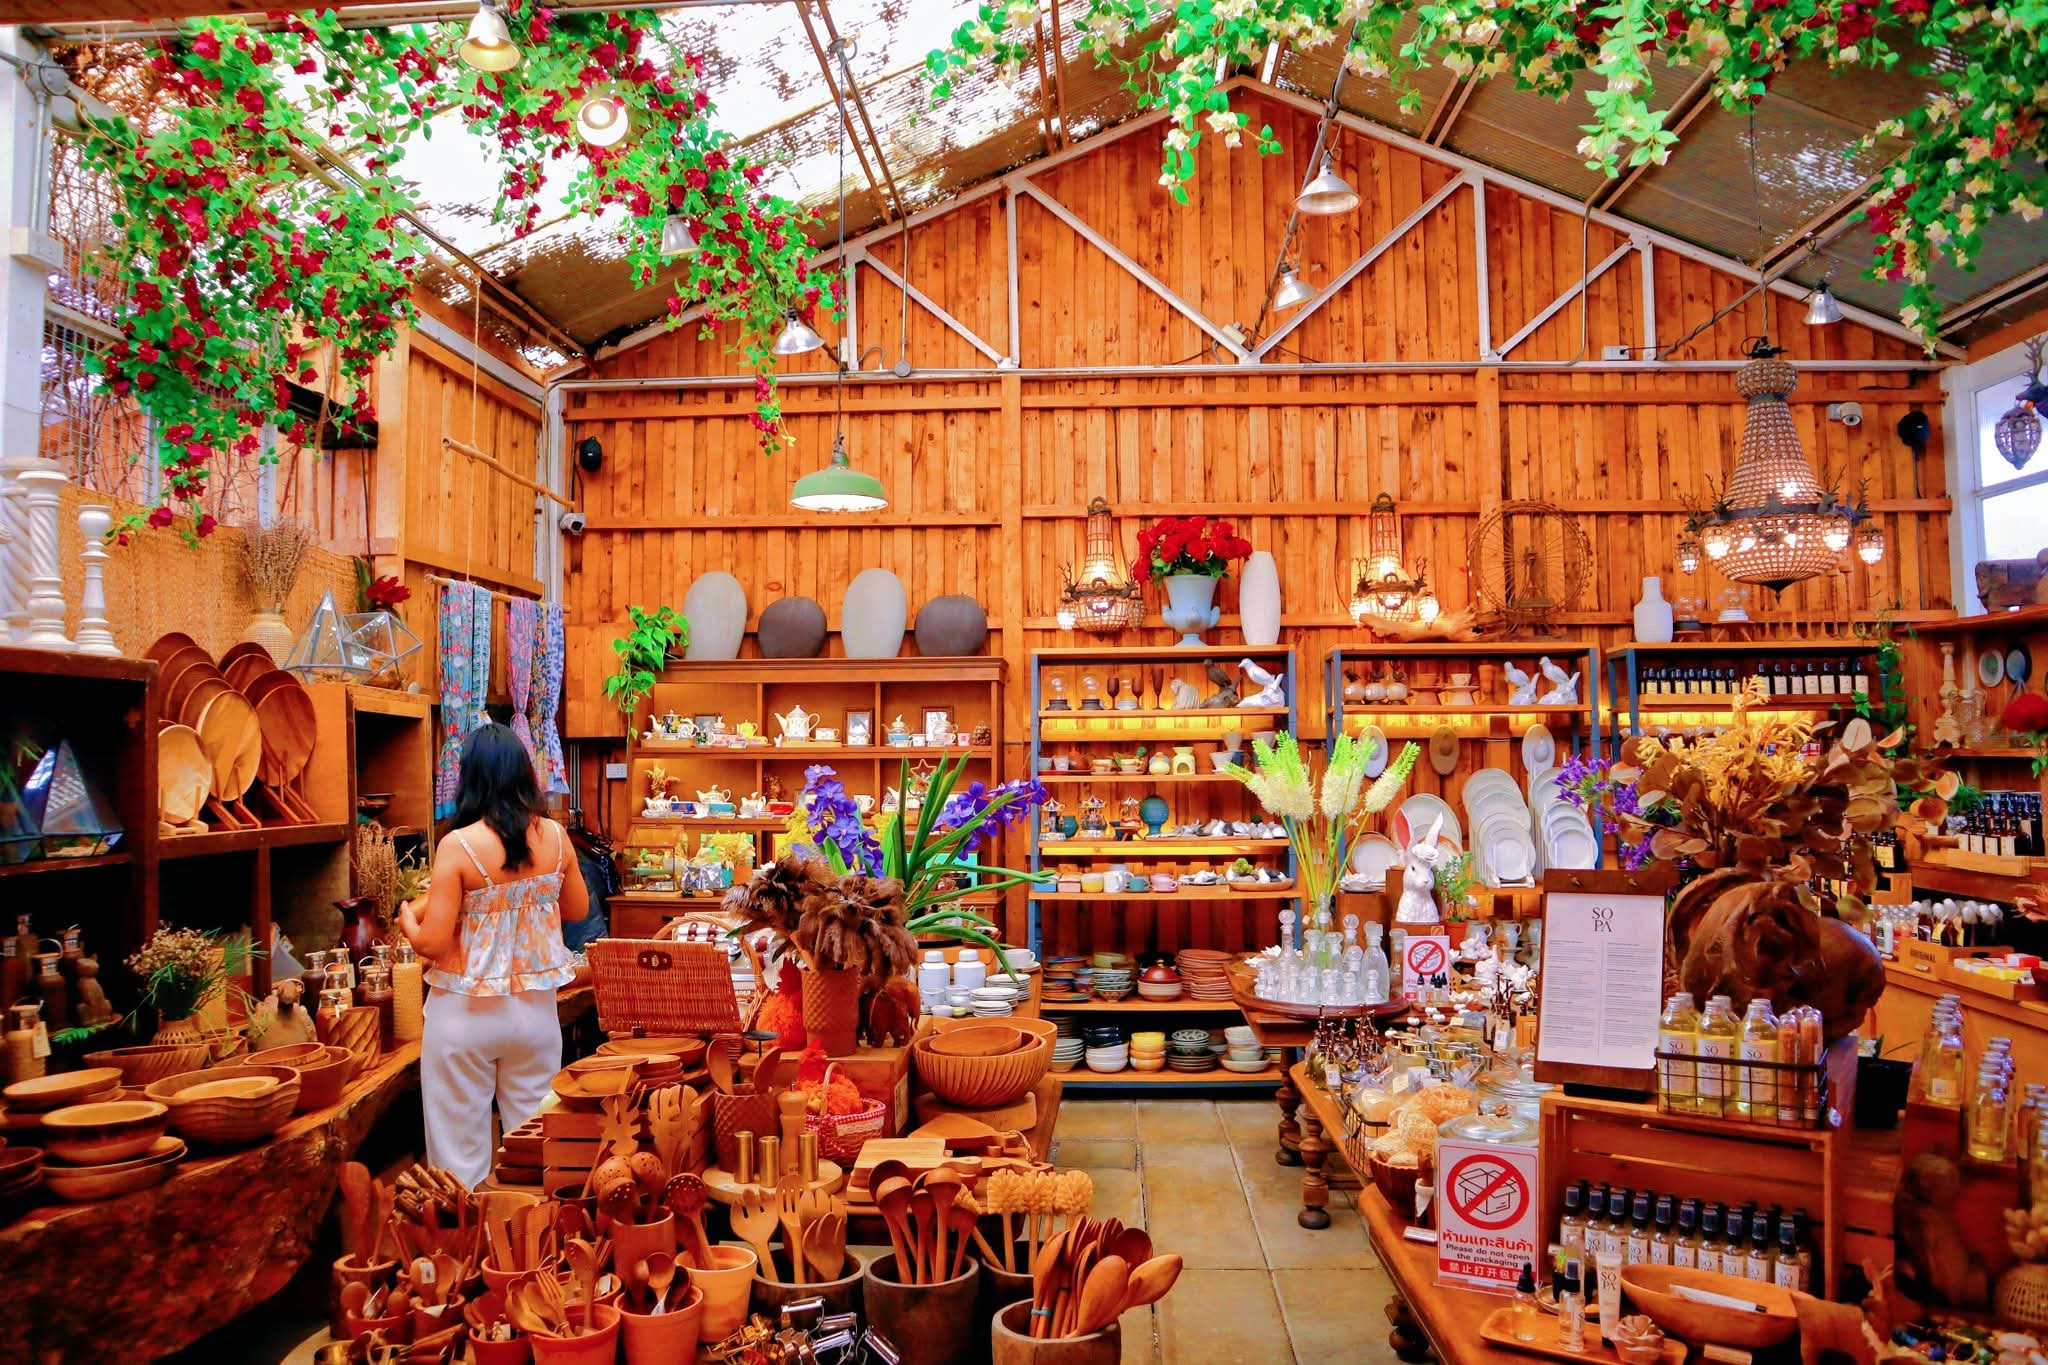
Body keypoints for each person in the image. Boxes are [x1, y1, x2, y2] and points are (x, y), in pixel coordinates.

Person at [400, 722, 588, 1187]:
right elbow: (577, 910)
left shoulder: (458, 846)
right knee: (535, 1148)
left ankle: (466, 1232)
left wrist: (407, 920)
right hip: (535, 1016)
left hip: (463, 1016)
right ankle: (533, 1230)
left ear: (470, 778)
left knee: (458, 1156)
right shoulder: (555, 836)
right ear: (524, 774)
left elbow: (433, 944)